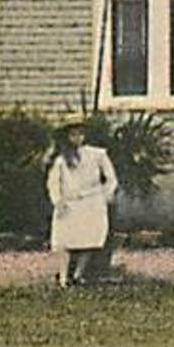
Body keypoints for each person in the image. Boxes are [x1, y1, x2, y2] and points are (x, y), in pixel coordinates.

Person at [47, 116, 118, 287]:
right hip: (69, 203)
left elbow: (111, 178)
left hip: (91, 202)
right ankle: (64, 277)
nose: (77, 138)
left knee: (90, 239)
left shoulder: (97, 154)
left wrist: (107, 194)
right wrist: (58, 201)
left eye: (80, 134)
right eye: (73, 135)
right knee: (64, 242)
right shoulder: (61, 160)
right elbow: (53, 182)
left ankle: (78, 274)